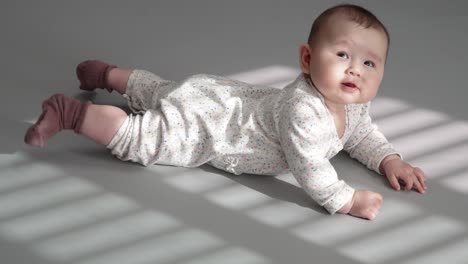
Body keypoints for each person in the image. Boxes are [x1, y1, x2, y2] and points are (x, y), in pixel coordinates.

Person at [24, 4, 426, 220]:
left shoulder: (353, 105)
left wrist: (389, 159)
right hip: (214, 127)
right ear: (306, 58)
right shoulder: (304, 110)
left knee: (164, 91)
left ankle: (108, 74)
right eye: (342, 54)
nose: (355, 68)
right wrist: (348, 200)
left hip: (219, 95)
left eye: (370, 63)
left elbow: (361, 134)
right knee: (145, 137)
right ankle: (72, 115)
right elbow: (311, 169)